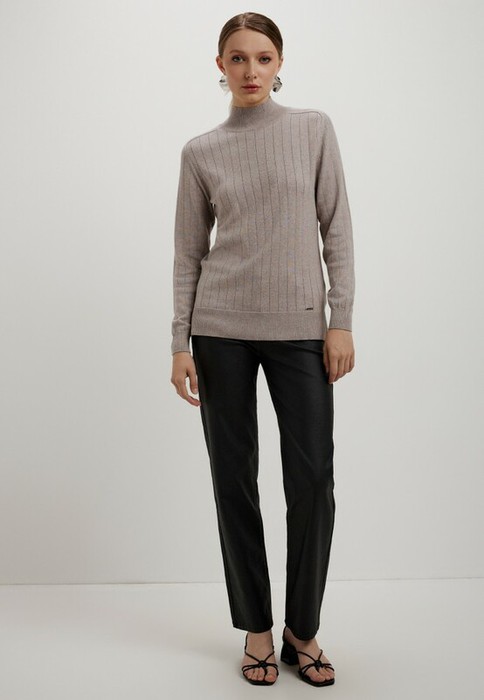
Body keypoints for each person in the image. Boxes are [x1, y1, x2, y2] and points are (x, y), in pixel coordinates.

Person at [170, 11, 355, 688]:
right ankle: (255, 627)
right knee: (233, 481)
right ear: (219, 66)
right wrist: (180, 341)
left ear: (279, 65)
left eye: (263, 58)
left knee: (312, 484)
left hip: (300, 329)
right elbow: (188, 253)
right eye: (238, 58)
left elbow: (336, 227)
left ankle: (302, 629)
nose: (250, 70)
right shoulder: (201, 152)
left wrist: (341, 320)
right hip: (219, 330)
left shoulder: (312, 130)